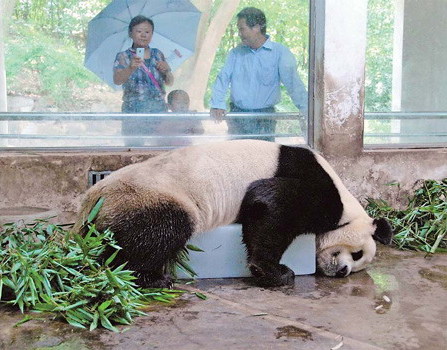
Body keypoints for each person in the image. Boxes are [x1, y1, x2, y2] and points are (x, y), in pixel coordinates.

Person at [210, 7, 308, 141]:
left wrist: (307, 110)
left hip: (265, 118)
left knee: (264, 158)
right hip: (238, 115)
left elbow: (293, 84)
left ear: (256, 27)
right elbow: (222, 79)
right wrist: (217, 104)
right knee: (237, 157)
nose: (239, 33)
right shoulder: (235, 53)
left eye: (241, 29)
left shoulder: (279, 53)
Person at [113, 15, 174, 146]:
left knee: (160, 148)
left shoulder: (158, 54)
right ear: (130, 33)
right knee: (134, 148)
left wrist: (167, 70)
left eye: (147, 32)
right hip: (133, 111)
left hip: (158, 110)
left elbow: (169, 82)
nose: (143, 35)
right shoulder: (123, 56)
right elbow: (117, 80)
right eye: (139, 31)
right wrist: (130, 68)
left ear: (152, 34)